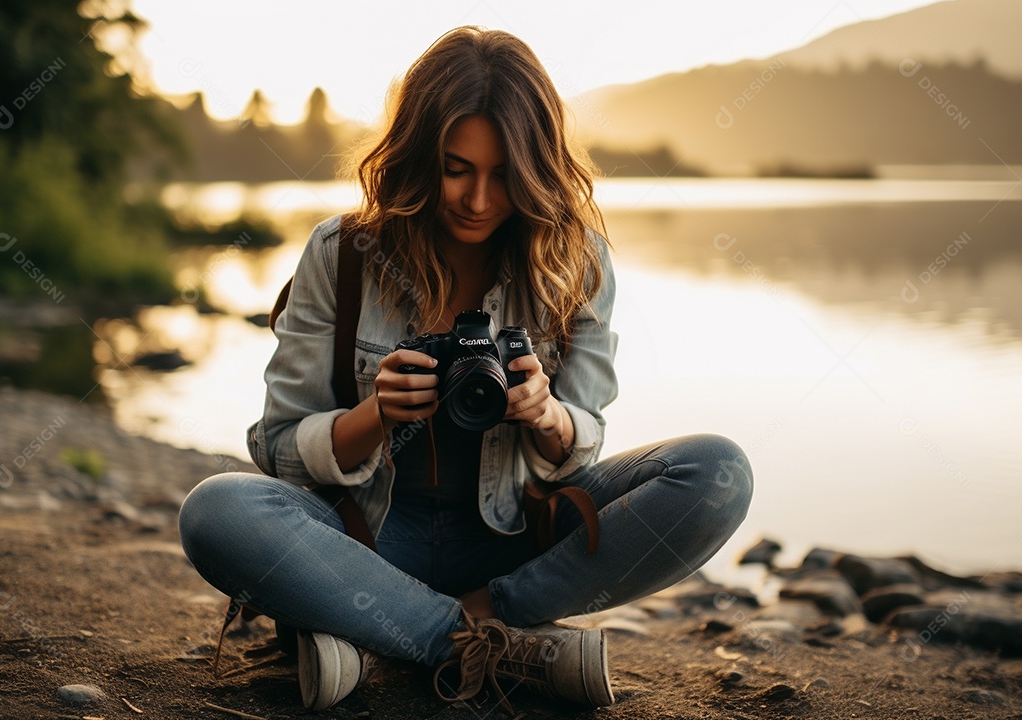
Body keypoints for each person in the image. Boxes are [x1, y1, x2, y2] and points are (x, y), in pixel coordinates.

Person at [178, 25, 752, 713]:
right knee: (216, 510)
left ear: (537, 169)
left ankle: (401, 634)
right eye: (457, 168)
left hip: (515, 548)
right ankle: (485, 644)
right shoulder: (343, 253)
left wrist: (546, 416)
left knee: (717, 473)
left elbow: (578, 452)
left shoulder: (577, 263)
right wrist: (374, 415)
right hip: (363, 546)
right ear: (419, 157)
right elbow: (275, 448)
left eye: (505, 174)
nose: (479, 200)